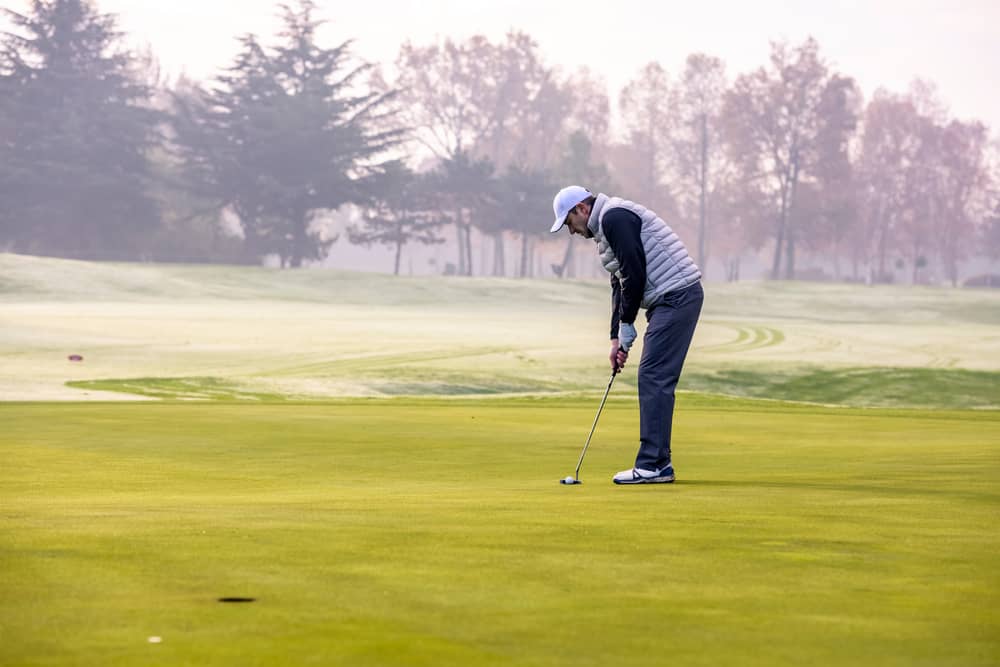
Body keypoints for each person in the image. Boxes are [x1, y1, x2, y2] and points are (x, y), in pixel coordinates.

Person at [550, 185, 704, 484]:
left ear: (582, 209)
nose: (571, 231)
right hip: (668, 300)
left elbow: (635, 271)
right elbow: (620, 282)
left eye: (569, 222)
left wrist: (628, 322)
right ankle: (656, 463)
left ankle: (655, 465)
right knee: (652, 374)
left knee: (653, 375)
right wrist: (616, 337)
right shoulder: (606, 228)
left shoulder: (614, 218)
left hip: (678, 296)